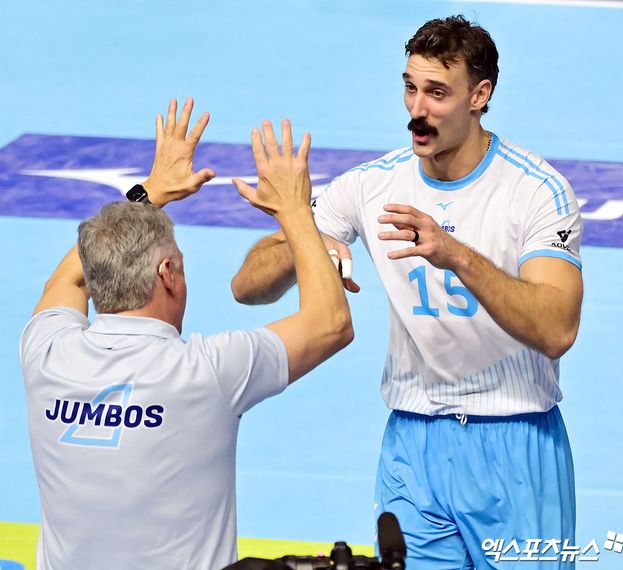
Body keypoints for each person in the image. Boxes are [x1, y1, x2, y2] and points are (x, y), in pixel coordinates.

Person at [231, 15, 583, 570]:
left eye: (437, 93)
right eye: (410, 88)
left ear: (480, 96)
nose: (417, 109)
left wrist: (455, 254)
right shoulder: (372, 184)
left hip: (516, 443)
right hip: (413, 444)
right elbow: (246, 287)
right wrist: (305, 239)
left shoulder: (536, 191)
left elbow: (557, 328)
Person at [19, 98, 353, 570]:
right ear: (168, 273)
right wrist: (296, 211)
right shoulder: (207, 372)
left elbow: (68, 279)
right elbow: (331, 323)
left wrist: (150, 192)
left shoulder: (46, 352)